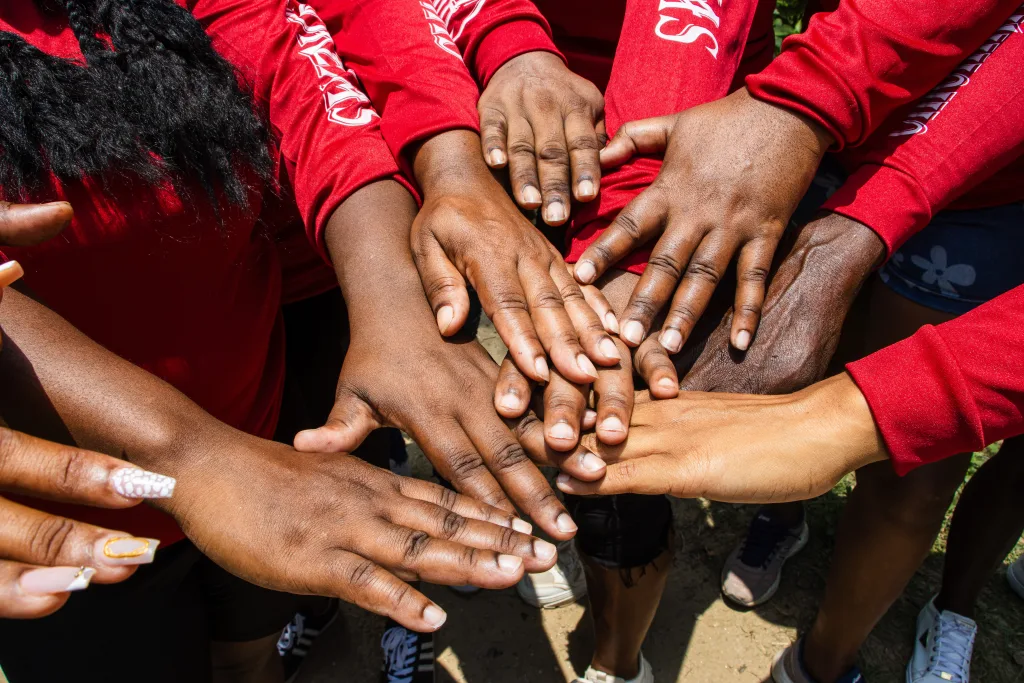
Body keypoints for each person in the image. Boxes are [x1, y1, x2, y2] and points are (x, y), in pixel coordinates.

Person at [0, 3, 558, 681]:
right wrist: (190, 452)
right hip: (60, 515)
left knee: (251, 648)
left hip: (262, 446)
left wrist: (392, 301)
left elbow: (291, 68)